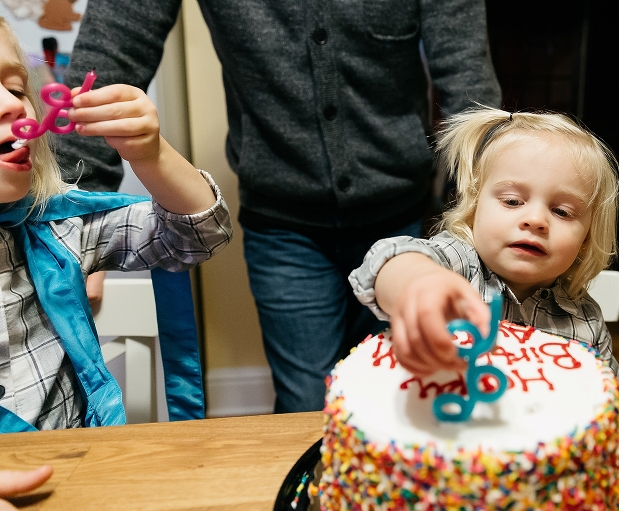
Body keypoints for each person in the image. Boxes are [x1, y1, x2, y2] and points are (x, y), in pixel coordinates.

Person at [55, 0, 501, 413]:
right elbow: (110, 54)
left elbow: (468, 83)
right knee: (308, 404)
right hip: (284, 230)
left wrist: (476, 215)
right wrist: (71, 221)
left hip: (407, 219)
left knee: (407, 391)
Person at [0, 17, 232, 432]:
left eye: (17, 89)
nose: (13, 105)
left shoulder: (57, 229)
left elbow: (198, 235)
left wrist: (151, 155)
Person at [349, 107, 619, 387]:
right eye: (512, 201)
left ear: (586, 239)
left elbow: (609, 398)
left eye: (562, 212)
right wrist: (419, 280)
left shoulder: (587, 321)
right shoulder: (458, 264)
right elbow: (384, 261)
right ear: (474, 207)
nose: (535, 220)